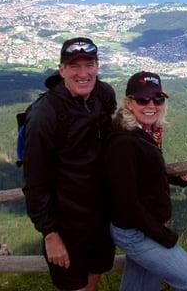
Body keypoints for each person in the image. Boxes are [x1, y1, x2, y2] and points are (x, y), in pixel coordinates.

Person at [103, 71, 187, 291]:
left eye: (158, 99)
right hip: (137, 231)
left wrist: (177, 179)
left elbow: (141, 174)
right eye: (143, 99)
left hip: (142, 226)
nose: (151, 105)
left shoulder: (143, 132)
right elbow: (126, 201)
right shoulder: (124, 142)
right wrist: (163, 236)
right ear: (128, 103)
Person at [22, 37, 116, 291]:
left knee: (93, 279)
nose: (83, 73)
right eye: (75, 66)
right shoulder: (45, 115)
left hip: (99, 217)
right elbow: (34, 180)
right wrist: (50, 234)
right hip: (66, 225)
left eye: (89, 65)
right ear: (61, 70)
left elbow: (115, 146)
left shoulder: (104, 95)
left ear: (98, 66)